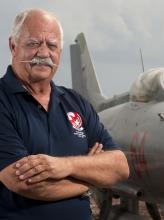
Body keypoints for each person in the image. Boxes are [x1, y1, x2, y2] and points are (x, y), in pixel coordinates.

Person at [0, 8, 129, 220]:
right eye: (33, 43)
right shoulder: (3, 101)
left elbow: (120, 167)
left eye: (52, 45)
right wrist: (92, 178)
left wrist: (63, 166)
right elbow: (25, 183)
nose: (43, 53)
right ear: (13, 46)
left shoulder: (76, 102)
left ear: (59, 53)